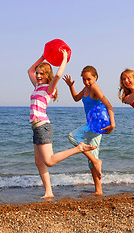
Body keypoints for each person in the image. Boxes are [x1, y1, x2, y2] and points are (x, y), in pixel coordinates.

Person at [28, 50, 98, 198]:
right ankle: (48, 192)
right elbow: (29, 71)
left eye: (41, 73)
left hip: (42, 126)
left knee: (49, 161)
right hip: (36, 128)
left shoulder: (49, 88)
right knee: (38, 162)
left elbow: (58, 75)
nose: (38, 76)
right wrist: (44, 56)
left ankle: (78, 148)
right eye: (38, 73)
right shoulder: (36, 86)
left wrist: (64, 59)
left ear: (47, 75)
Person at [63, 66, 116, 195]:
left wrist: (112, 124)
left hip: (98, 124)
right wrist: (70, 86)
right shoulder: (87, 88)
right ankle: (98, 190)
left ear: (95, 77)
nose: (86, 82)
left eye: (89, 79)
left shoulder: (94, 87)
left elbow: (108, 104)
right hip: (92, 124)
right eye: (84, 79)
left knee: (73, 137)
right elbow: (76, 98)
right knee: (92, 155)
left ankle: (95, 161)